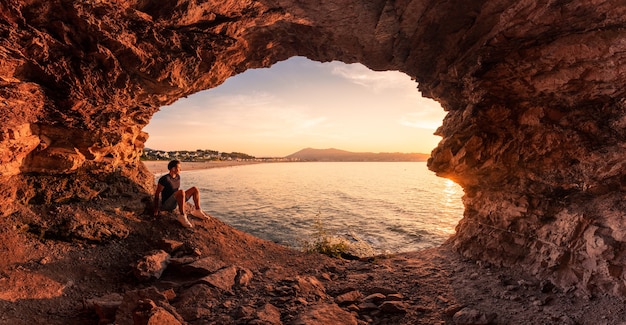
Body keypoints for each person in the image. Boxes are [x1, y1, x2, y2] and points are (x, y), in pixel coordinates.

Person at [153, 160, 210, 228]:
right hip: (167, 205)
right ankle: (182, 216)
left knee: (195, 189)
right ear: (173, 169)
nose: (180, 169)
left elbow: (177, 193)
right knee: (181, 191)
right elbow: (157, 194)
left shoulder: (178, 177)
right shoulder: (164, 179)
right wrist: (156, 209)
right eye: (179, 167)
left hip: (175, 202)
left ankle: (197, 211)